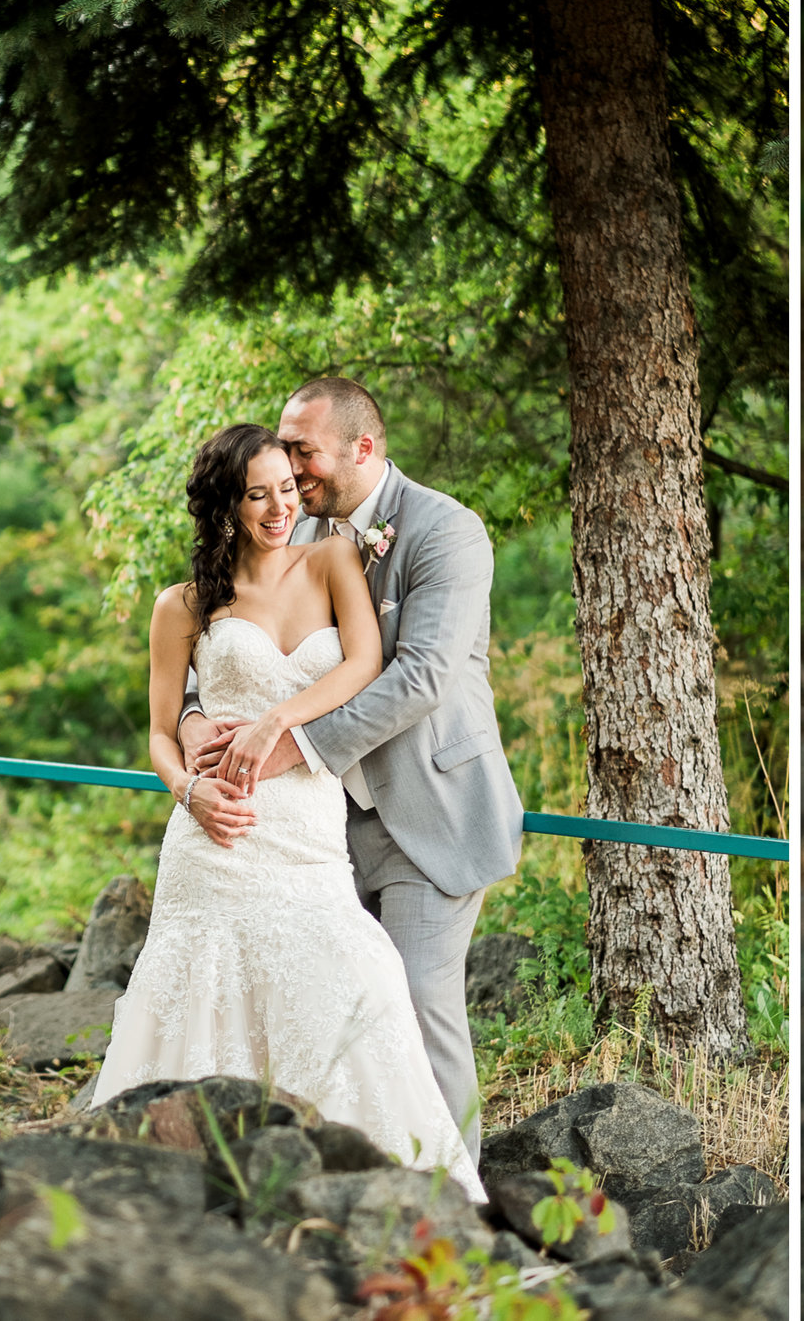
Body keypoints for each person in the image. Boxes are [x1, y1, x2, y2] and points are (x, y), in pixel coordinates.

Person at [90, 422, 484, 1202]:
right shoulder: (182, 605)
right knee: (203, 999)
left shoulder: (335, 557)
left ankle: (398, 1195)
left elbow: (367, 664)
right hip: (215, 837)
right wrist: (188, 789)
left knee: (361, 978)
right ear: (225, 506)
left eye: (286, 488)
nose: (278, 506)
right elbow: (162, 732)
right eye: (257, 493)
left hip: (306, 827)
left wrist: (281, 722)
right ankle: (188, 1190)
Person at [180, 377, 524, 1156]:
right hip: (315, 831)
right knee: (329, 1011)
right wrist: (196, 719)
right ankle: (353, 1185)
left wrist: (289, 745)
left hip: (427, 813)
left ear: (361, 448)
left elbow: (421, 676)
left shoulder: (447, 531)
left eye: (302, 450)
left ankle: (455, 1206)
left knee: (415, 1002)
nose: (288, 468)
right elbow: (220, 645)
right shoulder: (286, 527)